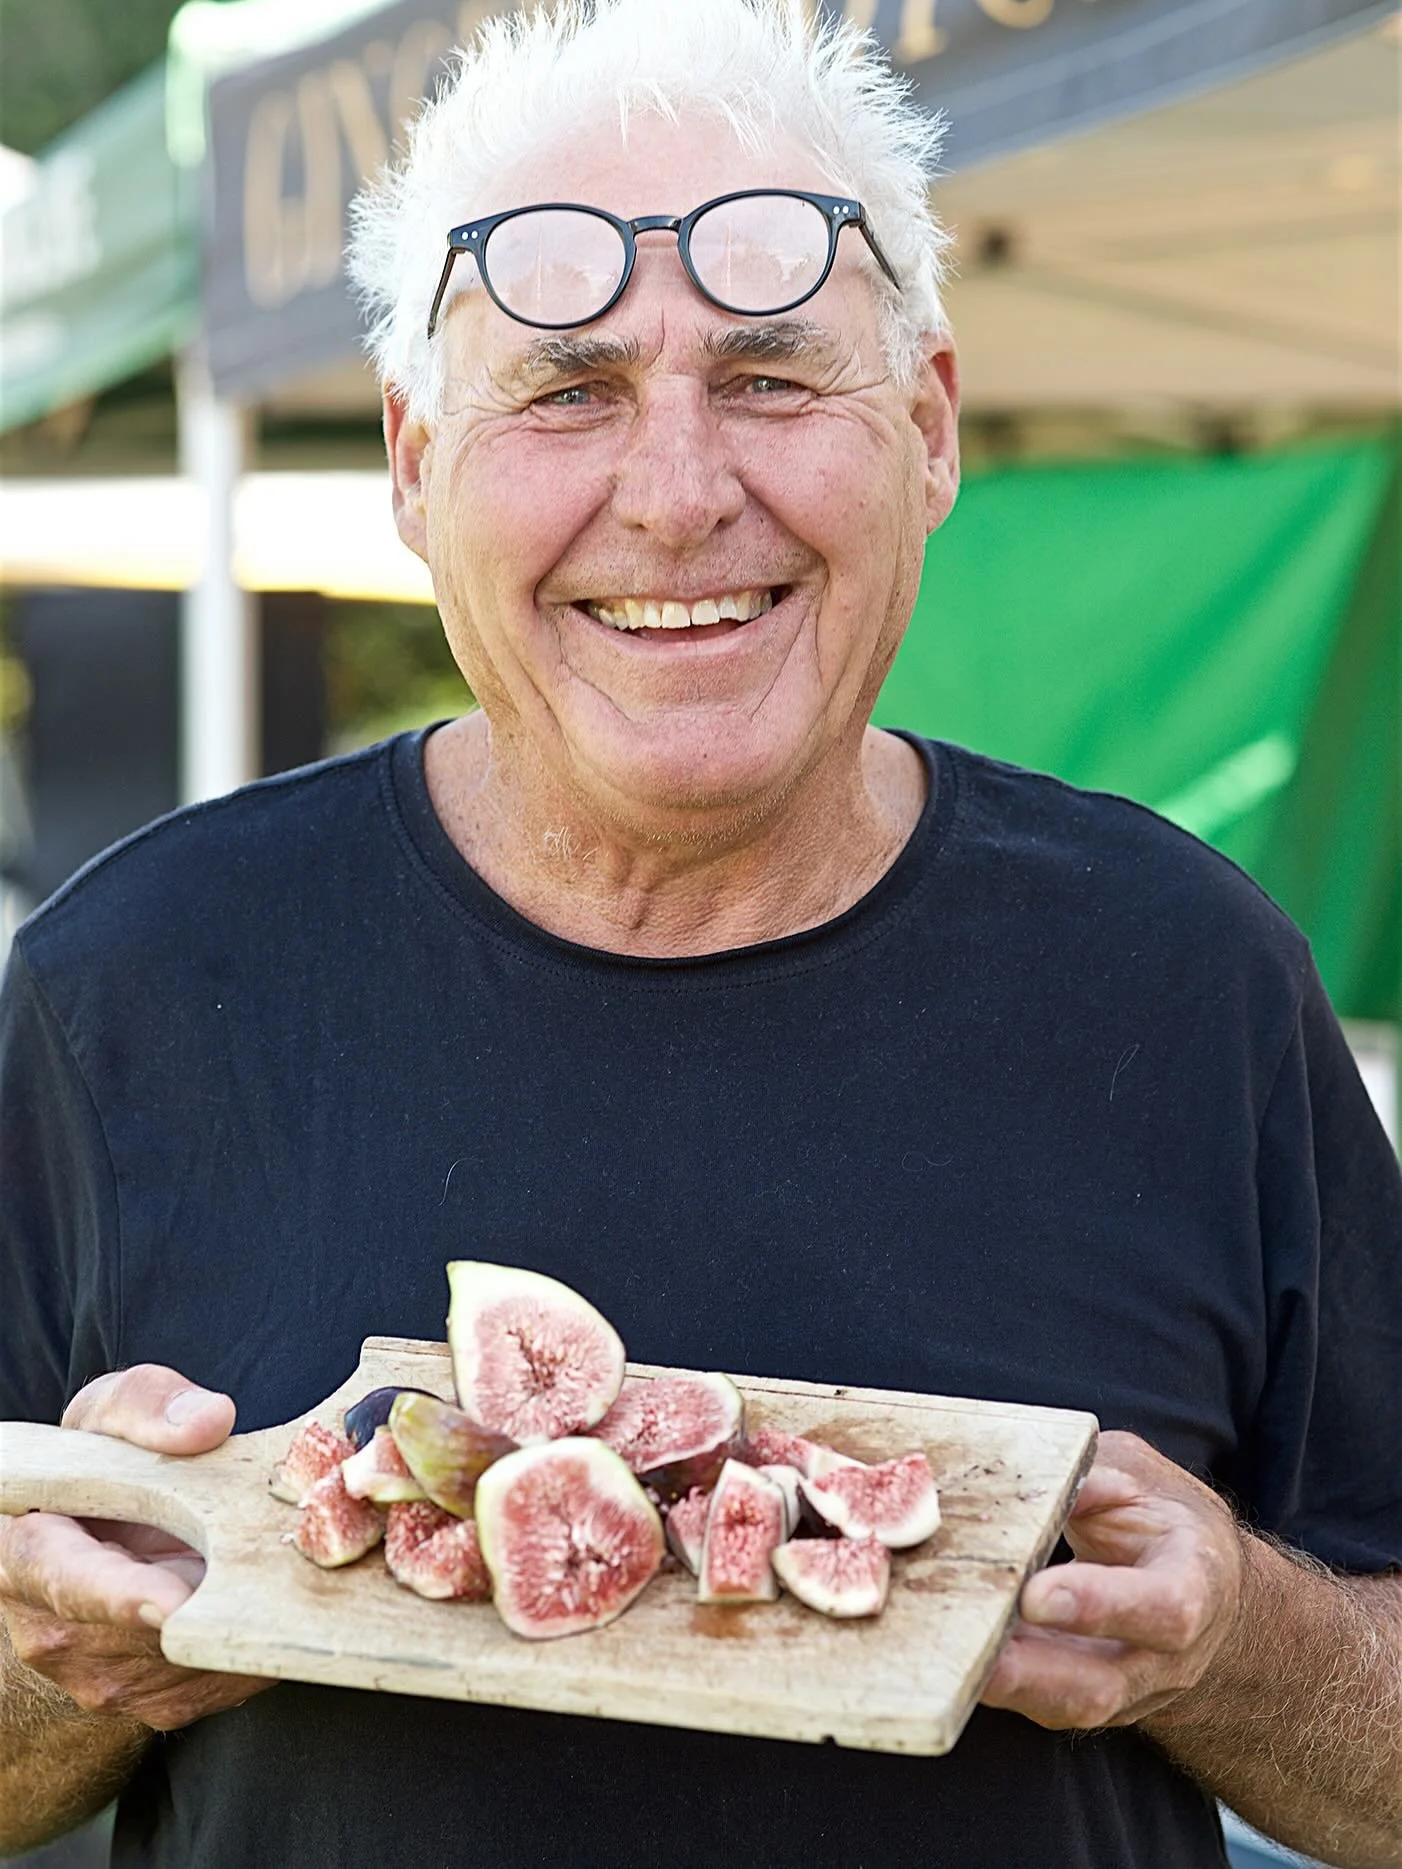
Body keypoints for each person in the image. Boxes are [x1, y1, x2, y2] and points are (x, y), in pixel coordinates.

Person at [2, 3, 1399, 1864]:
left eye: (769, 377)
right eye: (567, 390)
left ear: (926, 429)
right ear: (415, 466)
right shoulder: (135, 984)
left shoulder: (1186, 976)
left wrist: (1240, 1642)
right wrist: (55, 1657)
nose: (675, 495)